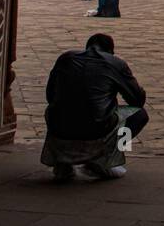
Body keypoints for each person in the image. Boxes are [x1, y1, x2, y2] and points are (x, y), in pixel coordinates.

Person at [41, 33, 148, 181]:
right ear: (111, 51)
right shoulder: (115, 63)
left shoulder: (66, 58)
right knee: (139, 115)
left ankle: (63, 162)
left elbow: (50, 96)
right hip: (97, 128)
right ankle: (108, 158)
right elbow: (137, 100)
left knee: (59, 108)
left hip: (59, 126)